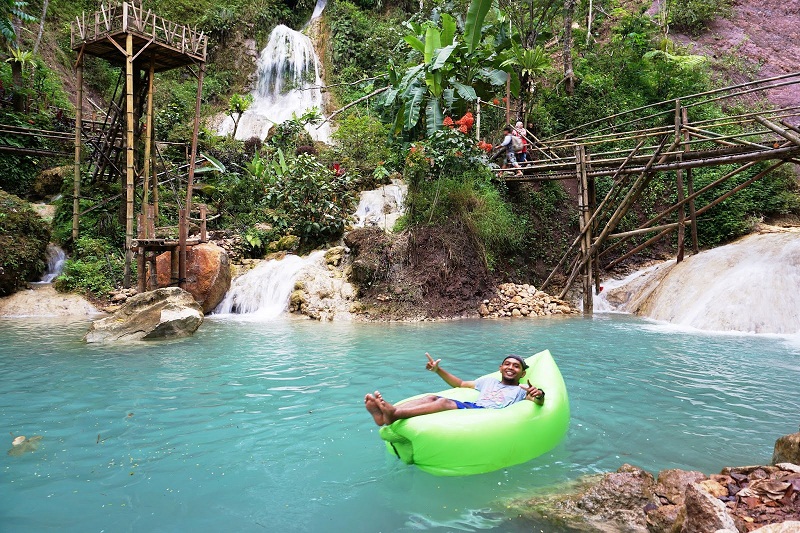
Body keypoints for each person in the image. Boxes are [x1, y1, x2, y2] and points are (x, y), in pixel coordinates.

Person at [365, 353, 545, 426]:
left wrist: (538, 394)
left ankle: (394, 414)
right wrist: (437, 370)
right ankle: (386, 414)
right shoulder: (488, 381)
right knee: (430, 397)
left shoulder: (521, 390)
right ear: (500, 368)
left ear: (522, 373)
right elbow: (460, 383)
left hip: (487, 414)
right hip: (473, 406)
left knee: (443, 402)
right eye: (507, 364)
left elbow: (537, 401)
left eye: (516, 366)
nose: (510, 368)